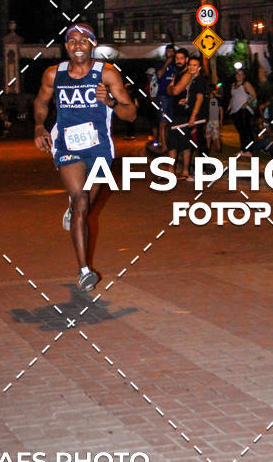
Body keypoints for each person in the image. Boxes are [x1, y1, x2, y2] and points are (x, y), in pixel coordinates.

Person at [34, 24, 136, 290]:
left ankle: (73, 208)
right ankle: (84, 270)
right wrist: (39, 126)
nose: (77, 45)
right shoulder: (54, 74)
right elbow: (41, 101)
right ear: (66, 46)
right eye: (72, 41)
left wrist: (110, 102)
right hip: (67, 144)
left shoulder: (107, 74)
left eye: (83, 40)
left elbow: (131, 113)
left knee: (86, 204)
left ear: (93, 45)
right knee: (81, 200)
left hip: (99, 147)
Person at [167, 51, 206, 180]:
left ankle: (202, 171)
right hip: (190, 114)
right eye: (191, 65)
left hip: (195, 115)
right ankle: (196, 171)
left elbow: (199, 98)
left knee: (197, 142)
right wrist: (186, 100)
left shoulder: (199, 79)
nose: (191, 67)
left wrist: (193, 116)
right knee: (194, 142)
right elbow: (191, 96)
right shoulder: (193, 80)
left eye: (195, 65)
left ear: (199, 67)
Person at [228, 67, 257, 157]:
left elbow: (254, 95)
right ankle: (243, 150)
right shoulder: (233, 85)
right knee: (240, 130)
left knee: (246, 130)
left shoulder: (246, 84)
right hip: (235, 110)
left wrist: (247, 103)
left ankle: (249, 150)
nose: (239, 76)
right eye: (237, 74)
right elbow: (233, 97)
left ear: (244, 76)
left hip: (244, 109)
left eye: (241, 74)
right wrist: (229, 106)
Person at [155, 44, 176, 151]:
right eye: (168, 51)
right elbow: (159, 75)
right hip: (163, 96)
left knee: (171, 122)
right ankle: (163, 145)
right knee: (163, 121)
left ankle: (170, 143)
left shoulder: (176, 65)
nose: (170, 53)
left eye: (172, 51)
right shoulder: (160, 64)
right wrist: (167, 63)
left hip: (173, 96)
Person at [205, 83, 223, 152]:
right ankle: (208, 148)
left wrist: (221, 120)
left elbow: (221, 110)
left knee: (216, 136)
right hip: (208, 120)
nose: (211, 92)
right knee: (208, 135)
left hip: (215, 120)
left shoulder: (217, 99)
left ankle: (219, 148)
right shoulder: (207, 100)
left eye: (212, 91)